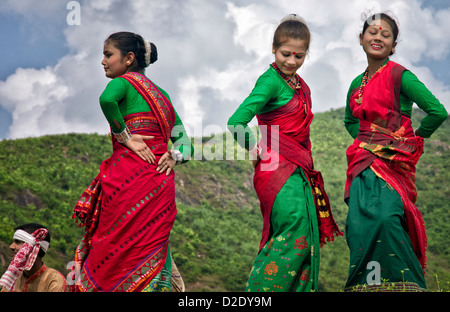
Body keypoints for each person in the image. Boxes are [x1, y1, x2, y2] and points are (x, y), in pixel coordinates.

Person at [68, 31, 193, 292]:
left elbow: (106, 100)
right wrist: (173, 156)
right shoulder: (164, 97)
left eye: (108, 54)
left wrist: (124, 136)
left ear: (128, 59)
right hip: (159, 186)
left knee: (113, 249)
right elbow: (186, 145)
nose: (103, 61)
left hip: (127, 182)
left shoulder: (123, 83)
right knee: (150, 247)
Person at [227, 14, 342, 292]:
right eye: (285, 53)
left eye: (299, 56)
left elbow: (304, 136)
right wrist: (254, 148)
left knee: (307, 241)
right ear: (273, 49)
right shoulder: (269, 82)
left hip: (301, 173)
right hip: (276, 171)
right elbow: (235, 122)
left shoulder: (303, 87)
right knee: (294, 232)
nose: (291, 61)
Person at [343, 12, 448, 292]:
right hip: (362, 162)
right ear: (362, 38)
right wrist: (367, 141)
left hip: (394, 162)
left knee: (387, 219)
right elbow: (350, 121)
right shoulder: (357, 84)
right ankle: (364, 285)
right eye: (372, 33)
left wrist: (412, 142)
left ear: (393, 45)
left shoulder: (401, 76)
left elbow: (437, 111)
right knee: (358, 224)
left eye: (385, 35)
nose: (378, 37)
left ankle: (405, 284)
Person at [0, 223, 67, 292]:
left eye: (17, 242)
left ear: (34, 249)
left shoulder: (53, 279)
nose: (11, 246)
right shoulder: (14, 278)